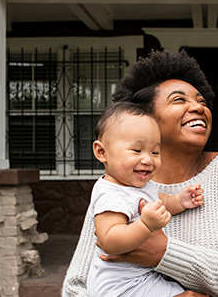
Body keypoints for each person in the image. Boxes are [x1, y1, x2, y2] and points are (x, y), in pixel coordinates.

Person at [62, 50, 218, 297]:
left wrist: (165, 253)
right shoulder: (117, 187)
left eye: (201, 101)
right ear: (146, 119)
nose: (198, 107)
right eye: (179, 100)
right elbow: (77, 287)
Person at [87, 102, 205, 297]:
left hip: (142, 277)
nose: (148, 160)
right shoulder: (109, 193)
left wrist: (180, 201)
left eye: (155, 152)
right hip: (120, 286)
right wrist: (146, 225)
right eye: (136, 150)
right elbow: (108, 240)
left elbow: (160, 203)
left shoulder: (139, 185)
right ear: (102, 152)